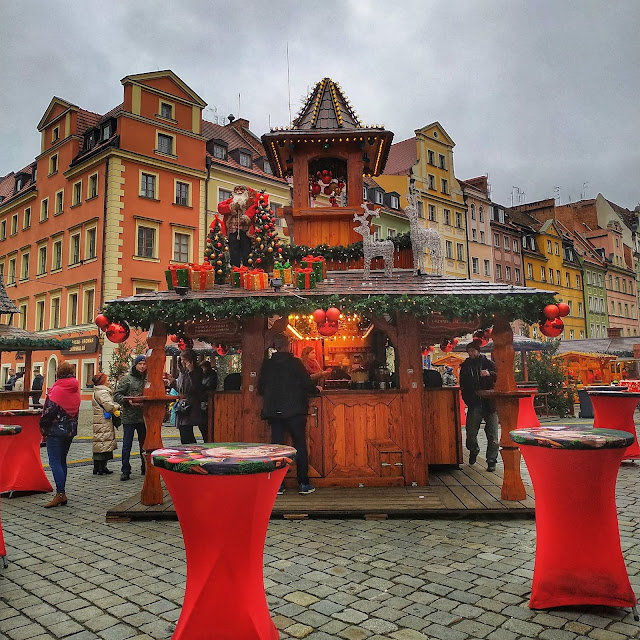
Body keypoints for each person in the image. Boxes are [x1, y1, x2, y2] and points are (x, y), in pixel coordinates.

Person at [258, 333, 319, 495]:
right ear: (289, 345)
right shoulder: (295, 363)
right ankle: (304, 483)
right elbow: (307, 383)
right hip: (295, 410)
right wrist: (316, 391)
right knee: (299, 445)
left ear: (275, 347)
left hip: (274, 411)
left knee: (277, 447)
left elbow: (260, 388)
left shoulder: (268, 364)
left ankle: (278, 485)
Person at [38, 362, 81, 507]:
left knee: (55, 462)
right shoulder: (75, 389)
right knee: (62, 460)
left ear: (58, 373)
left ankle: (60, 493)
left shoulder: (57, 390)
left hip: (55, 430)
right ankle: (62, 492)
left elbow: (49, 412)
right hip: (70, 430)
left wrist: (42, 424)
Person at [459, 340, 499, 472]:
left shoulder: (488, 363)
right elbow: (463, 385)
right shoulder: (465, 366)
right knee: (470, 433)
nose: (470, 353)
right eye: (469, 351)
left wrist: (490, 374)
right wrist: (468, 399)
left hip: (490, 403)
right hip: (474, 403)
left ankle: (491, 460)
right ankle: (473, 449)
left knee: (492, 434)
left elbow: (499, 377)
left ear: (478, 351)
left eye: (472, 351)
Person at [114, 355, 147, 481]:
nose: (142, 366)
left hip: (142, 417)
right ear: (135, 365)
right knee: (127, 445)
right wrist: (127, 401)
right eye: (140, 364)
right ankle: (125, 470)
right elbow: (117, 394)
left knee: (144, 444)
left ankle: (145, 466)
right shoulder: (127, 379)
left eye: (144, 364)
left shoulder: (147, 379)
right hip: (129, 417)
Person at [174, 350, 206, 443]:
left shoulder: (197, 371)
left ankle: (192, 450)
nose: (183, 363)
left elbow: (197, 387)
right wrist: (172, 382)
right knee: (183, 431)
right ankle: (188, 450)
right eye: (182, 360)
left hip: (191, 405)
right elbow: (180, 389)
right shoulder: (181, 372)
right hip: (182, 405)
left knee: (187, 431)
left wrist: (191, 371)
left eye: (185, 360)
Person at [91, 372, 120, 476]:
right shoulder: (103, 392)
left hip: (99, 420)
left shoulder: (97, 391)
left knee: (100, 442)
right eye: (107, 380)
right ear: (102, 381)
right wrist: (117, 406)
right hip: (104, 421)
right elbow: (109, 407)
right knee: (104, 442)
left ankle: (98, 467)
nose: (109, 382)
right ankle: (101, 467)